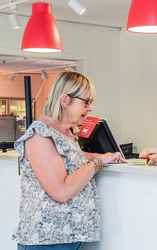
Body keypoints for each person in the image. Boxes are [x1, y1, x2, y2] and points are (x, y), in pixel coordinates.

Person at [14, 71, 124, 250]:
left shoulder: (66, 133)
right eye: (86, 102)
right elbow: (61, 191)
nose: (90, 108)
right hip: (46, 242)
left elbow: (69, 158)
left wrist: (99, 156)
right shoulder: (41, 135)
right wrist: (97, 164)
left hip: (68, 238)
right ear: (65, 100)